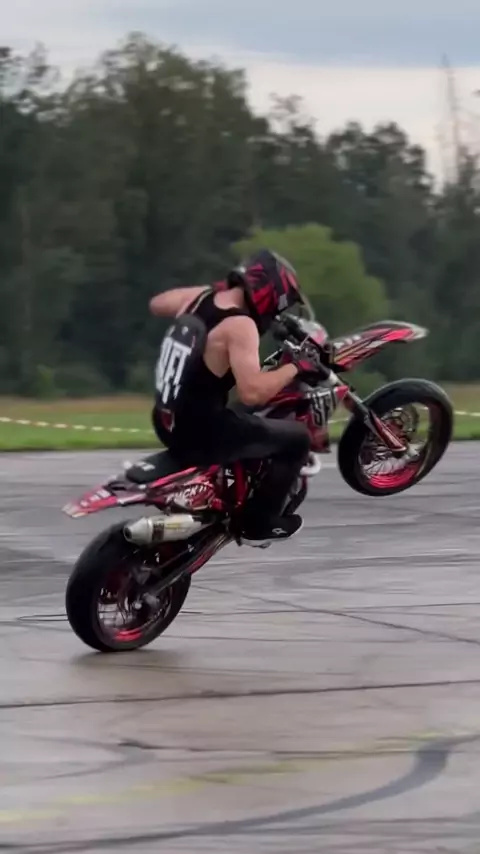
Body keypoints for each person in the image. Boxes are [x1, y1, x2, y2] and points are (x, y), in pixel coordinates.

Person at [149, 249, 322, 545]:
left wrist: (213, 293)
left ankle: (229, 487)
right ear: (269, 296)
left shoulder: (198, 298)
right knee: (297, 439)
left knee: (245, 417)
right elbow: (252, 392)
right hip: (201, 434)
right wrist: (297, 366)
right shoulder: (241, 326)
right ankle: (258, 525)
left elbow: (157, 304)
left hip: (166, 418)